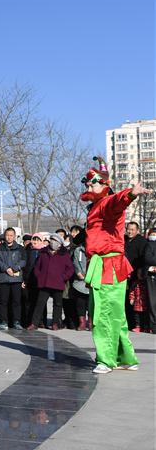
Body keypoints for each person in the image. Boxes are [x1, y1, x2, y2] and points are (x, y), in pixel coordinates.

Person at [81, 156, 148, 374]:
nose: (89, 185)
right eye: (87, 183)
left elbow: (117, 201)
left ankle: (106, 360)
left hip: (109, 265)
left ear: (105, 185)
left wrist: (130, 193)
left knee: (102, 314)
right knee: (115, 315)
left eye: (93, 182)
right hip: (103, 265)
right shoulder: (94, 207)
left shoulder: (106, 204)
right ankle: (126, 357)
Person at [31, 235, 75, 330]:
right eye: (51, 240)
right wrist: (39, 276)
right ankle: (34, 323)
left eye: (54, 240)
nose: (52, 242)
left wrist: (63, 277)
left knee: (58, 304)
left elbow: (70, 269)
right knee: (40, 303)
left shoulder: (64, 254)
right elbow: (37, 267)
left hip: (58, 283)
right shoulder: (43, 252)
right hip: (44, 282)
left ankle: (56, 323)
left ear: (59, 244)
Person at [0, 227, 26, 330]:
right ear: (4, 235)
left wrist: (15, 268)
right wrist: (6, 268)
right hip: (3, 278)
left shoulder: (20, 248)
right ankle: (3, 321)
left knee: (16, 301)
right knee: (3, 301)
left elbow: (23, 261)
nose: (9, 237)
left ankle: (16, 321)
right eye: (7, 235)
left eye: (11, 235)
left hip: (16, 279)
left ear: (15, 236)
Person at [124, 221, 147, 332]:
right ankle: (127, 323)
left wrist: (140, 272)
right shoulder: (124, 240)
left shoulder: (142, 241)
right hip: (124, 274)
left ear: (137, 230)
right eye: (128, 229)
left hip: (136, 275)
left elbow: (143, 258)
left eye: (132, 229)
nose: (130, 231)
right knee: (125, 300)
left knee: (136, 301)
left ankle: (138, 324)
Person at [68, 229, 91, 331]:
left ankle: (91, 322)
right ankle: (82, 322)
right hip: (80, 280)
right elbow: (76, 262)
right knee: (80, 303)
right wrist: (79, 273)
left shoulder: (96, 251)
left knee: (91, 304)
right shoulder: (78, 250)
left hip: (92, 280)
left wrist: (90, 276)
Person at [22, 234, 45, 327]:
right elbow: (25, 266)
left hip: (40, 281)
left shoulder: (44, 252)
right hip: (29, 280)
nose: (35, 241)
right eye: (34, 239)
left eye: (38, 240)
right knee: (28, 302)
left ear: (41, 241)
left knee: (40, 302)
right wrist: (23, 280)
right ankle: (29, 321)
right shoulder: (28, 251)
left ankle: (41, 321)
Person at [143, 228, 156, 333]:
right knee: (152, 301)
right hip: (151, 275)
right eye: (152, 234)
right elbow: (147, 258)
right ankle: (153, 325)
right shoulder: (148, 244)